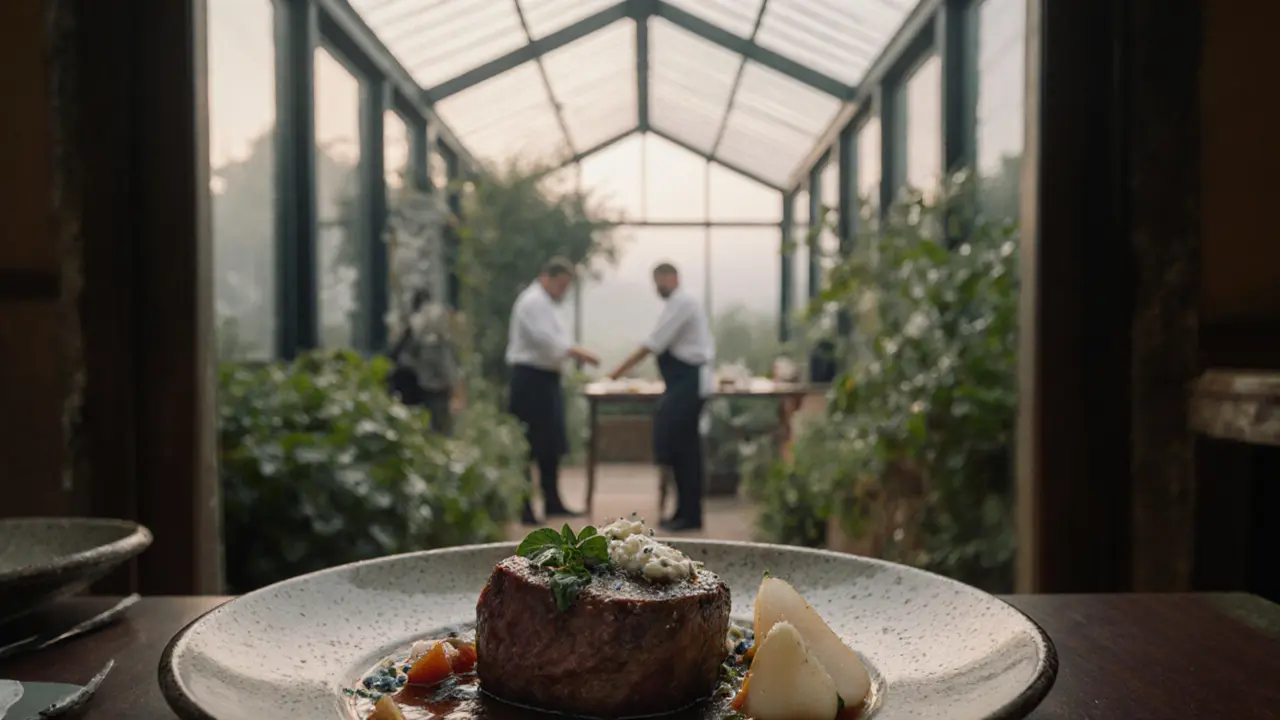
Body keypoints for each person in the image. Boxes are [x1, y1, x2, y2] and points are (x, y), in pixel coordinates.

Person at [608, 262, 715, 532]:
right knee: (680, 450)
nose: (658, 287)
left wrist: (616, 372)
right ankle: (683, 511)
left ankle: (691, 515)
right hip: (681, 383)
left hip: (690, 382)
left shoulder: (683, 302)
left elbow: (653, 342)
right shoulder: (677, 304)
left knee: (685, 450)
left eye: (660, 281)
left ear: (673, 277)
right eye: (655, 282)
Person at [506, 257, 600, 524]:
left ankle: (552, 501)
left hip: (547, 379)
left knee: (550, 444)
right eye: (560, 284)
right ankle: (525, 507)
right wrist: (576, 351)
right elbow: (545, 339)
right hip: (530, 379)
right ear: (546, 278)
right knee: (529, 445)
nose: (562, 291)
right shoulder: (532, 302)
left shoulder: (546, 304)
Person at [388, 288, 458, 435]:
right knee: (439, 429)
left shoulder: (409, 327)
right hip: (435, 386)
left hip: (417, 387)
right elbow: (443, 359)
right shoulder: (434, 323)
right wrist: (451, 382)